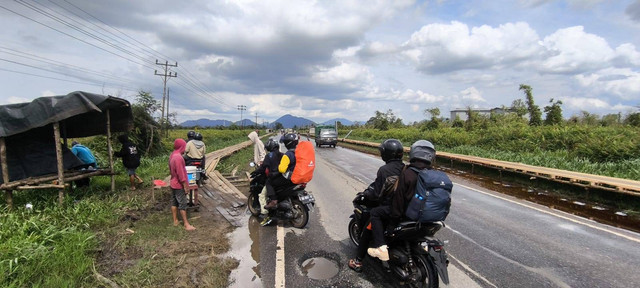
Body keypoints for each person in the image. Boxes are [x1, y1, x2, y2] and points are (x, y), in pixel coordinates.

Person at [367, 140, 437, 262]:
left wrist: (391, 225)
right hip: (427, 214)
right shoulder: (432, 174)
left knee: (375, 213)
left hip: (408, 213)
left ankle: (382, 249)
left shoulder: (407, 172)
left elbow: (398, 200)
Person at [348, 139, 405, 272]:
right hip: (404, 209)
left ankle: (358, 262)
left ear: (387, 154)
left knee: (368, 229)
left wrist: (366, 195)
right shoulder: (405, 168)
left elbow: (377, 194)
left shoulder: (384, 169)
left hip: (389, 208)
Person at [261, 133, 298, 218]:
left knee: (269, 182)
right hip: (296, 176)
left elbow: (281, 169)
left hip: (288, 177)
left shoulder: (287, 155)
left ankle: (273, 200)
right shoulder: (296, 153)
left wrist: (276, 172)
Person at [251, 139, 283, 224]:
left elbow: (263, 168)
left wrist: (255, 172)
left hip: (274, 178)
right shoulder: (282, 155)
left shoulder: (269, 156)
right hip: (283, 178)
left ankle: (265, 214)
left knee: (262, 195)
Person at [169, 138, 196, 231]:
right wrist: (185, 186)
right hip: (179, 184)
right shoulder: (179, 158)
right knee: (182, 203)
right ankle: (186, 224)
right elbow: (181, 174)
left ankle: (175, 220)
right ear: (182, 146)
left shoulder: (172, 155)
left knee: (174, 202)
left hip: (172, 182)